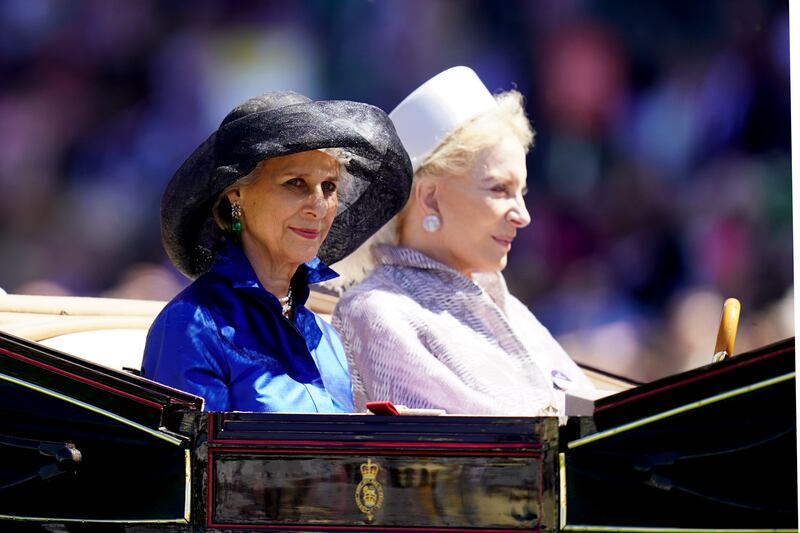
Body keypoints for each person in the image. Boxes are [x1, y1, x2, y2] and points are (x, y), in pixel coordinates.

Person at [331, 66, 593, 416]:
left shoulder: (507, 306)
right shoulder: (379, 311)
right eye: (500, 189)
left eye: (522, 193)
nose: (522, 215)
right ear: (430, 199)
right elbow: (462, 454)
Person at [141, 91, 412, 412]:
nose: (319, 206)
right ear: (236, 195)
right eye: (295, 183)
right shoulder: (192, 326)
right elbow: (196, 459)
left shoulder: (326, 339)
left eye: (329, 186)